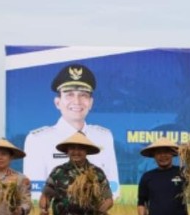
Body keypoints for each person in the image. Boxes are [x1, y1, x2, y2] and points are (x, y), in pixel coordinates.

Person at [23, 64, 119, 199]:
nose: (77, 101)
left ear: (91, 103)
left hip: (93, 211)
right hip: (59, 211)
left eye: (83, 95)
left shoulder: (103, 137)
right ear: (57, 102)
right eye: (69, 95)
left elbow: (113, 189)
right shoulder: (38, 139)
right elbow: (35, 193)